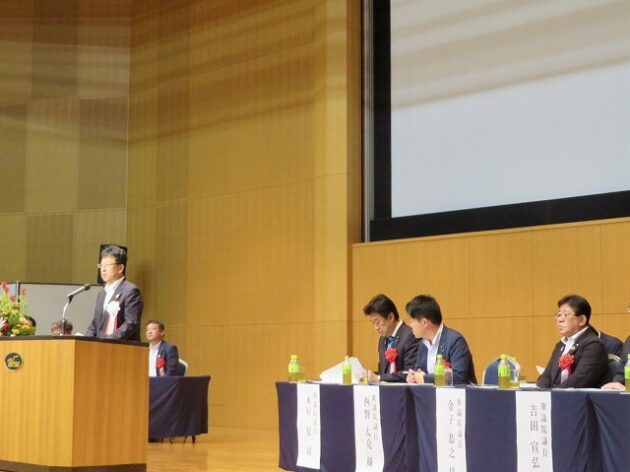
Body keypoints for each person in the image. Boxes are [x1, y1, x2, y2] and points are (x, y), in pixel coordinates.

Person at [536, 294, 610, 388]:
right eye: (559, 315)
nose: (560, 319)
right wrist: (541, 393)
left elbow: (579, 381)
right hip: (556, 395)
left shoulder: (593, 345)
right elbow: (546, 376)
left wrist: (553, 394)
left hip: (577, 397)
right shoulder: (560, 345)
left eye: (566, 315)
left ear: (582, 320)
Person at [405, 294, 476, 385]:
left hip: (456, 394)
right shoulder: (423, 344)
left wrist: (425, 378)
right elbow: (419, 372)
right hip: (430, 393)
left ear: (424, 322)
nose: (410, 325)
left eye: (412, 321)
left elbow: (459, 378)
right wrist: (413, 377)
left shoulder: (455, 341)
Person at [85, 245, 143, 341]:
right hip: (100, 346)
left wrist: (108, 340)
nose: (103, 270)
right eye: (101, 265)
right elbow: (96, 323)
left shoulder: (131, 291)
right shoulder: (101, 294)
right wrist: (84, 340)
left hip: (120, 347)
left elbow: (131, 323)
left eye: (107, 265)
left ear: (120, 268)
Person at [363, 294, 419, 383]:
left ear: (391, 317)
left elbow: (409, 373)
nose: (376, 327)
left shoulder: (411, 335)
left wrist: (378, 378)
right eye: (373, 323)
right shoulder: (383, 340)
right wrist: (369, 375)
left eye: (377, 322)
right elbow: (383, 373)